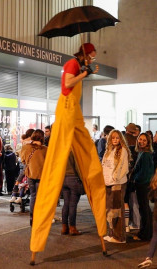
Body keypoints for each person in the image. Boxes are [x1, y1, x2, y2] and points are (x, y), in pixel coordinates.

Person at [30, 43, 107, 254]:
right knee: (55, 165)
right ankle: (39, 241)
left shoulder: (79, 65)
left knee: (91, 161)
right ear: (84, 54)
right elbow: (67, 85)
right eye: (91, 56)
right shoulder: (72, 63)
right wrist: (84, 73)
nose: (92, 59)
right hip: (66, 113)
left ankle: (101, 226)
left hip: (74, 114)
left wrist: (86, 72)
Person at [102, 130, 130, 243]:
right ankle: (112, 233)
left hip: (117, 184)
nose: (115, 140)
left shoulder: (123, 150)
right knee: (109, 210)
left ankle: (119, 237)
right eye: (113, 138)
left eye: (117, 138)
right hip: (107, 183)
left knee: (117, 211)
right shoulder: (108, 150)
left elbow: (124, 168)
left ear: (120, 139)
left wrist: (115, 177)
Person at [20, 129, 48, 226]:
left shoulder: (26, 147)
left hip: (30, 174)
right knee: (40, 197)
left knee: (33, 195)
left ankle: (32, 216)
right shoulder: (45, 149)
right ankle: (39, 216)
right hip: (42, 175)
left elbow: (22, 160)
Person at [132, 133, 154, 241]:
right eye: (140, 139)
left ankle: (145, 234)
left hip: (143, 184)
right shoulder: (142, 153)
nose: (141, 141)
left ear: (148, 142)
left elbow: (145, 173)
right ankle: (147, 231)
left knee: (144, 209)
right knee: (145, 209)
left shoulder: (145, 154)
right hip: (143, 184)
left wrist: (136, 179)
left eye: (144, 140)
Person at [61, 151, 85, 236]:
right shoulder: (74, 149)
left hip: (63, 179)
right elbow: (78, 167)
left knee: (66, 204)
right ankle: (72, 228)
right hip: (74, 178)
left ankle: (64, 227)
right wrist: (83, 180)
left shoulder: (61, 149)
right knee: (72, 205)